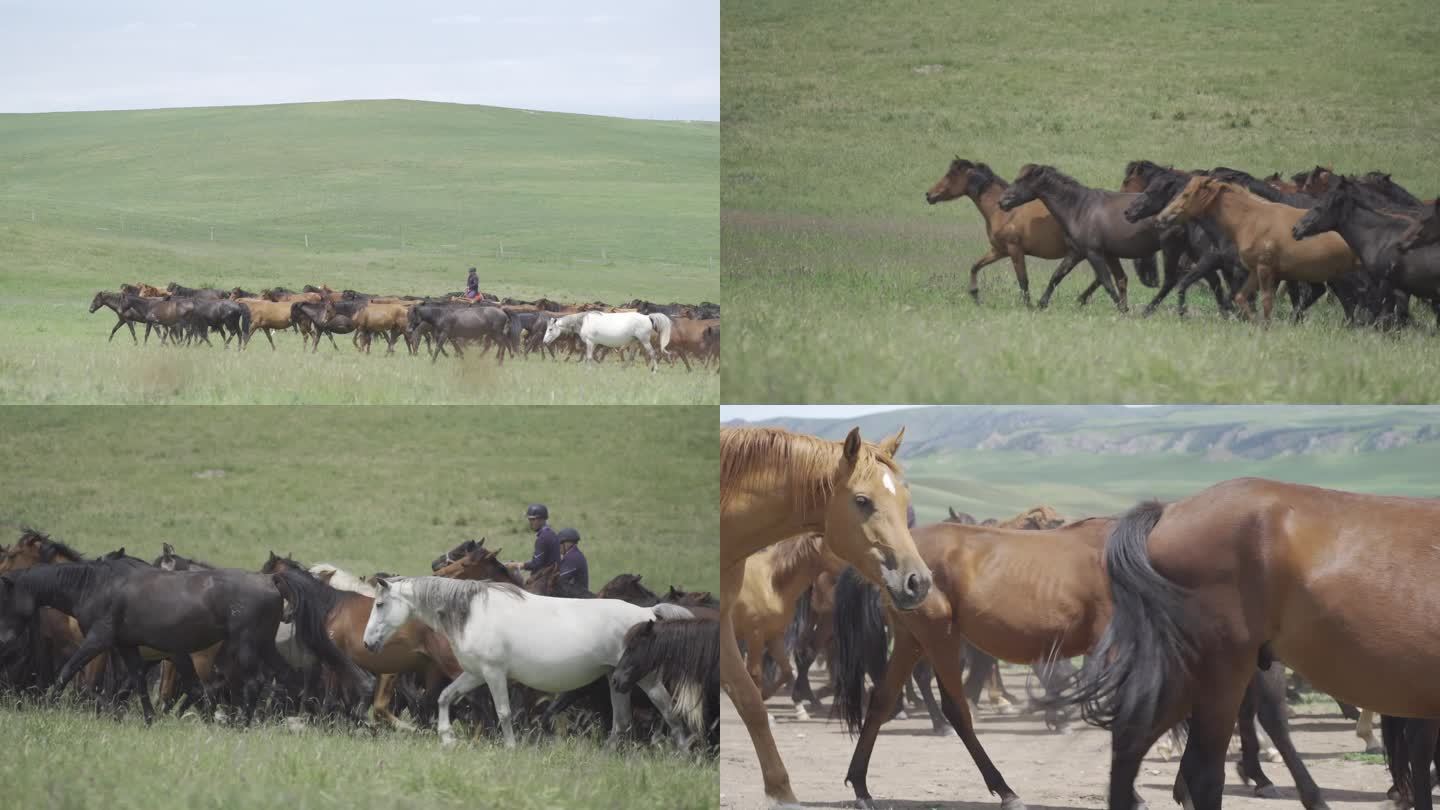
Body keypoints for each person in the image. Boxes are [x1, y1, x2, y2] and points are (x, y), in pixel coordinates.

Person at [521, 504, 560, 573]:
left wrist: (519, 565)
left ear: (541, 519)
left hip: (547, 579)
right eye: (529, 519)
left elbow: (536, 564)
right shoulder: (551, 534)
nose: (530, 522)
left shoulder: (543, 538)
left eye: (532, 519)